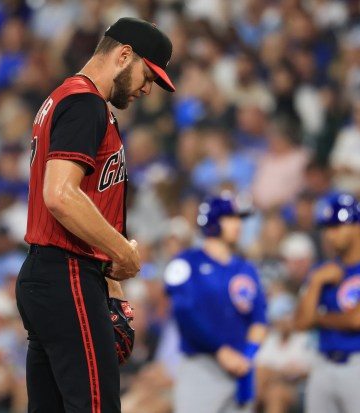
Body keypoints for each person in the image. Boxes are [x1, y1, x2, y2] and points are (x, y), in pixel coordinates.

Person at [16, 17, 175, 413]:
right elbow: (60, 195)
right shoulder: (85, 103)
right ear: (124, 55)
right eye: (148, 74)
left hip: (51, 274)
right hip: (67, 274)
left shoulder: (66, 97)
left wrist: (109, 282)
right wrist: (121, 251)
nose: (148, 87)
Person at [164, 193, 267, 413]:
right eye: (230, 217)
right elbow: (184, 314)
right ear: (211, 221)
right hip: (202, 367)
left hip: (241, 369)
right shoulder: (186, 262)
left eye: (239, 218)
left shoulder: (246, 269)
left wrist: (246, 356)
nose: (238, 224)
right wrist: (221, 351)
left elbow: (260, 320)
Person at [294, 193, 360, 413]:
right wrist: (316, 282)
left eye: (337, 226)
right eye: (328, 228)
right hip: (324, 365)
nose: (329, 234)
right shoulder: (322, 271)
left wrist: (318, 318)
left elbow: (358, 319)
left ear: (358, 227)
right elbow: (300, 323)